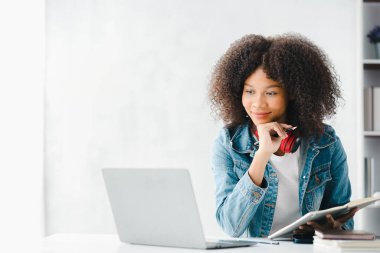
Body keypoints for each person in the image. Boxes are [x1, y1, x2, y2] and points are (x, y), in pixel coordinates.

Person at [208, 34, 357, 238]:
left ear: (293, 93)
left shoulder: (325, 142)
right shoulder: (228, 143)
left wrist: (331, 228)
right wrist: (262, 155)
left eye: (271, 93)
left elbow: (344, 221)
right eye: (249, 91)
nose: (258, 104)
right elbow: (231, 226)